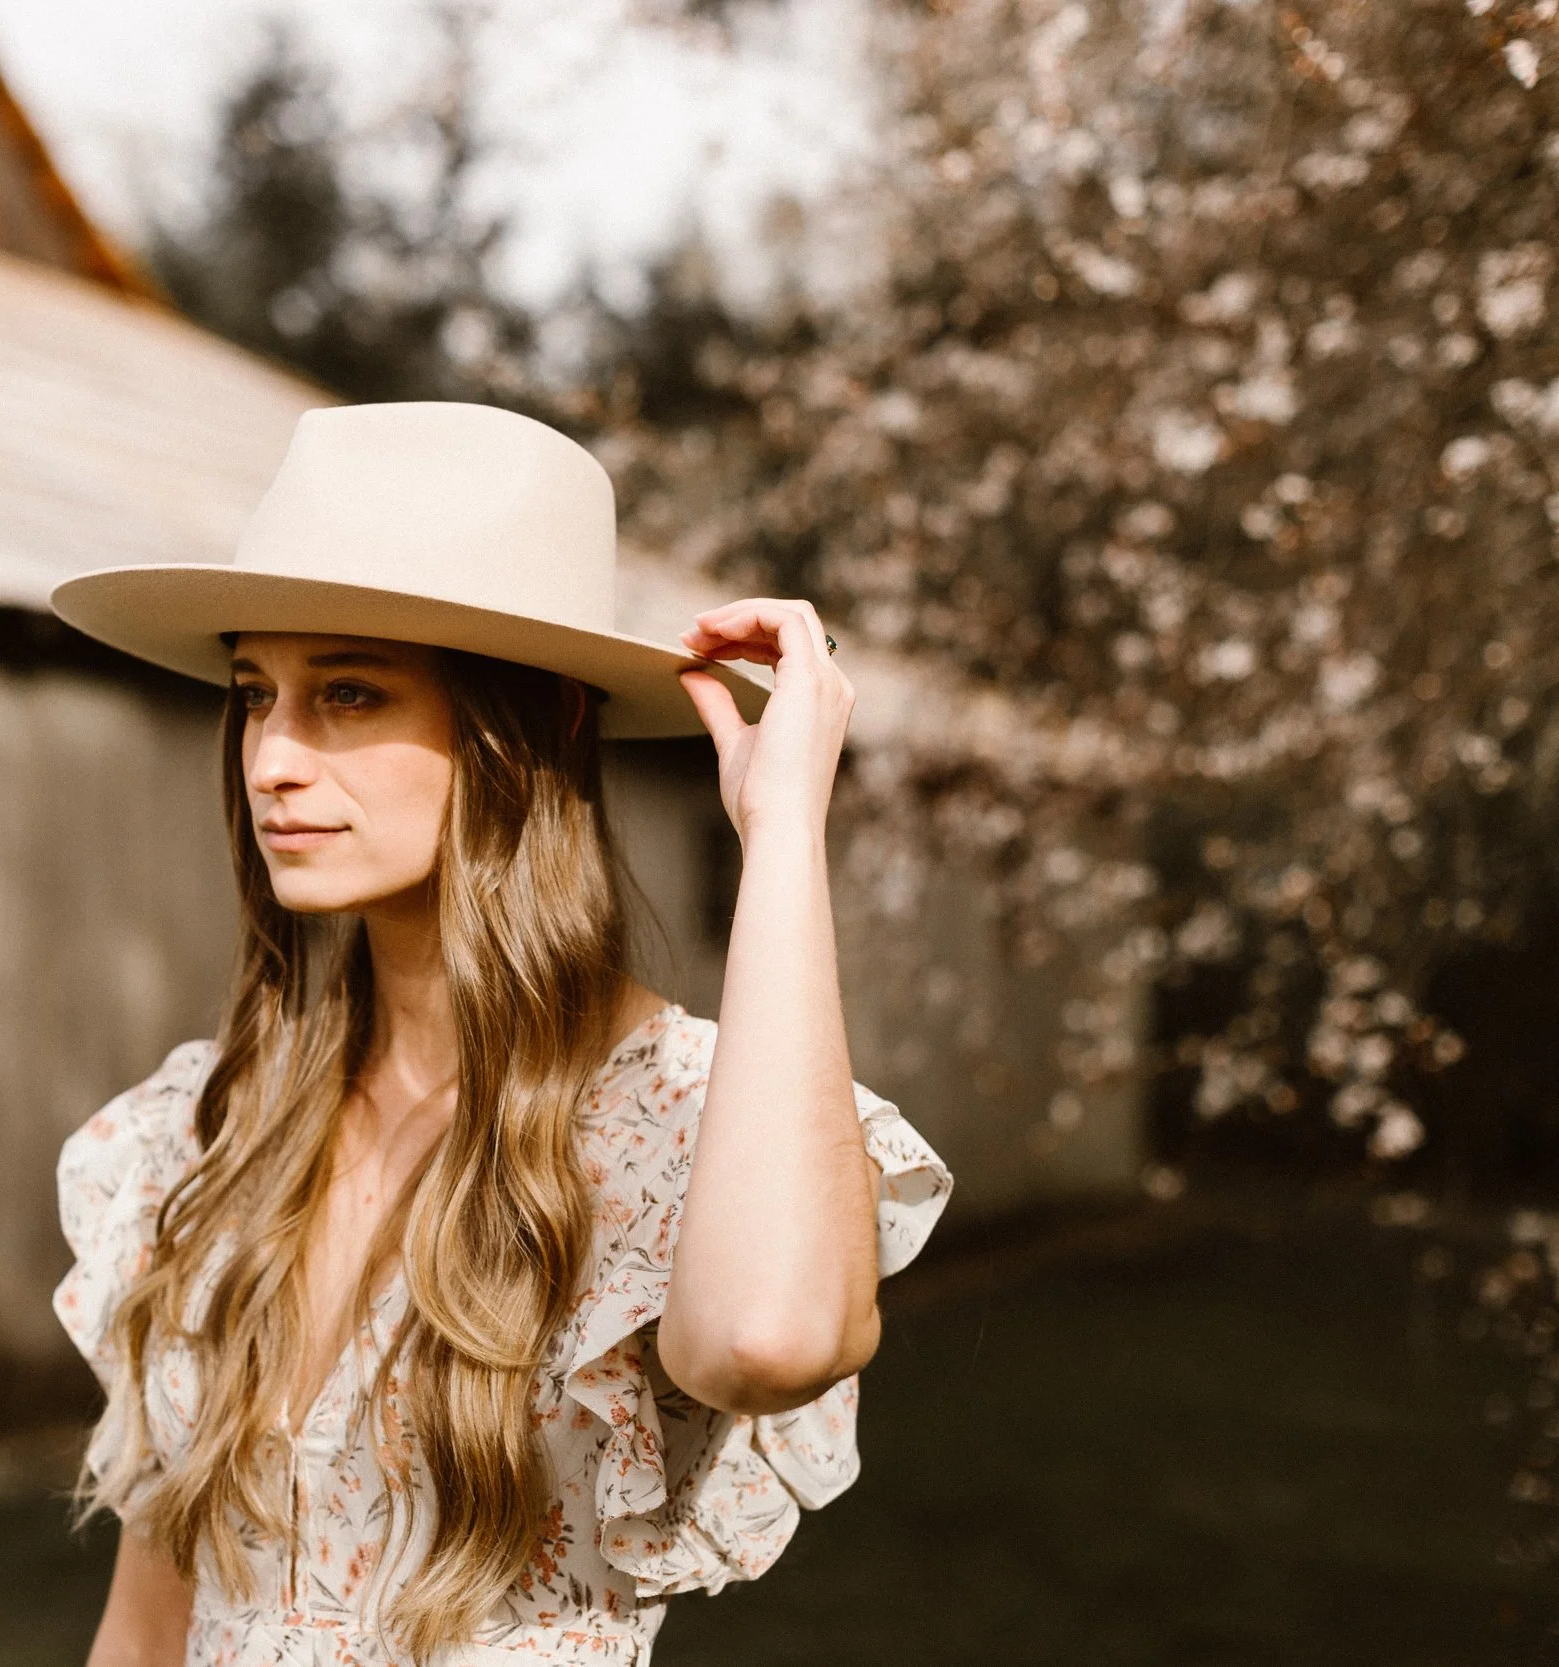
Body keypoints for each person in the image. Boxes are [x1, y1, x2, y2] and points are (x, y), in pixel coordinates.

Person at [47, 402, 952, 1667]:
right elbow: (149, 1623)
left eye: (349, 692)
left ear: (532, 726)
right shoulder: (204, 1127)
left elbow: (767, 1338)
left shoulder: (671, 1121)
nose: (275, 759)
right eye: (259, 694)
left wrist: (783, 828)